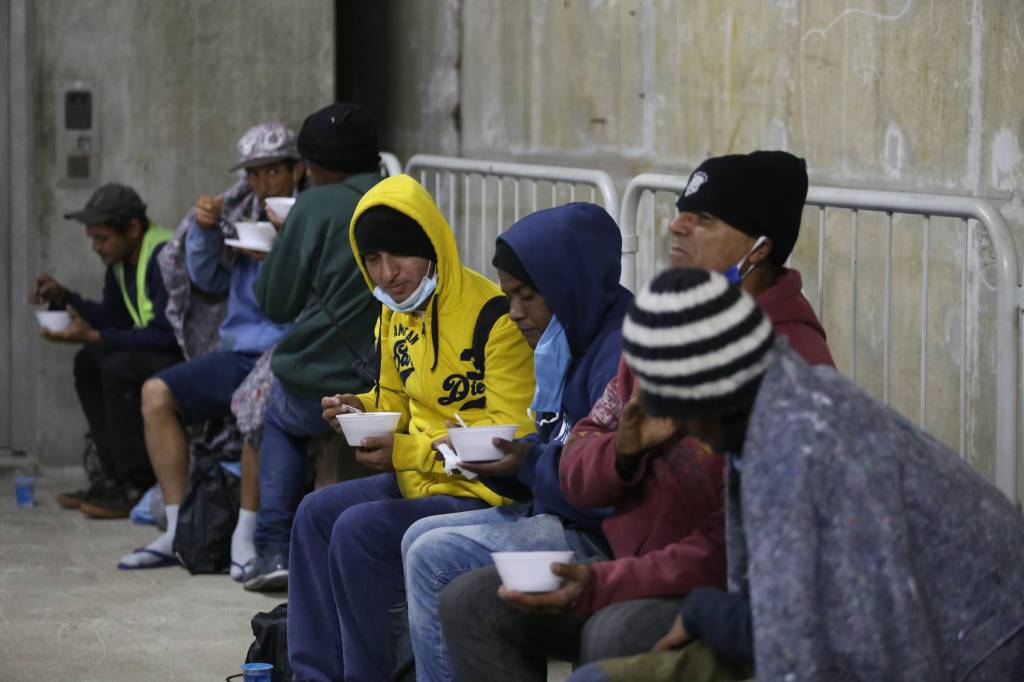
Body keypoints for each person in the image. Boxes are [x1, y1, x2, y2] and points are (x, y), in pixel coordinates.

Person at [440, 151, 836, 680]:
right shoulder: (666, 322)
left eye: (706, 219)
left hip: (716, 591)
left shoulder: (790, 364)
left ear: (759, 249)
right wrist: (624, 452)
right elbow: (580, 454)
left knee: (615, 630)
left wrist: (607, 584)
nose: (677, 224)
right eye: (682, 210)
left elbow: (733, 545)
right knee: (473, 600)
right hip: (627, 564)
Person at [569, 267, 1024, 681]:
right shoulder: (786, 393)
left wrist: (710, 614)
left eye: (688, 420)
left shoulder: (802, 447)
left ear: (710, 397)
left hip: (972, 655)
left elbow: (853, 653)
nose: (695, 440)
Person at [287, 173, 536, 682]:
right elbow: (395, 397)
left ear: (431, 246)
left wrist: (406, 452)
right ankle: (315, 674)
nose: (387, 273)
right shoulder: (394, 314)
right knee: (314, 513)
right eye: (372, 260)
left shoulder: (495, 320)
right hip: (418, 478)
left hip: (481, 494)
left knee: (358, 530)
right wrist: (358, 408)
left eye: (398, 255)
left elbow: (508, 436)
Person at [399, 202, 633, 682]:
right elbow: (559, 441)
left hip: (601, 538)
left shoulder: (616, 352)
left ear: (570, 287)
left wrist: (524, 464)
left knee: (432, 556)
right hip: (560, 512)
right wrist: (508, 462)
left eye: (527, 296)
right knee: (415, 536)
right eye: (509, 296)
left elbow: (600, 482)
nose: (514, 313)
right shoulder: (569, 335)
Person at [115, 122, 302, 571]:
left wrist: (281, 253)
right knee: (155, 393)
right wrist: (203, 231)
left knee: (258, 402)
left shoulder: (312, 217)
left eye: (272, 172)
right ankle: (178, 529)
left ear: (296, 170)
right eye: (254, 174)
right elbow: (208, 281)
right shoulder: (240, 210)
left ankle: (246, 535)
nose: (262, 184)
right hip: (236, 351)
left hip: (286, 354)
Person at [243, 102, 384, 591]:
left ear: (314, 165)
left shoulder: (315, 206)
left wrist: (284, 243)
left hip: (327, 375)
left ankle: (273, 547)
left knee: (279, 413)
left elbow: (275, 302)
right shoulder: (406, 196)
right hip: (397, 371)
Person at [34, 183, 180, 518]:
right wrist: (64, 298)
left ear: (131, 228)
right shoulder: (120, 261)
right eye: (93, 239)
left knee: (115, 365)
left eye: (102, 238)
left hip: (178, 352)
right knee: (89, 362)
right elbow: (114, 319)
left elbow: (168, 334)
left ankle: (135, 481)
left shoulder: (162, 256)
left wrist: (98, 336)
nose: (96, 248)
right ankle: (112, 477)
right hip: (148, 348)